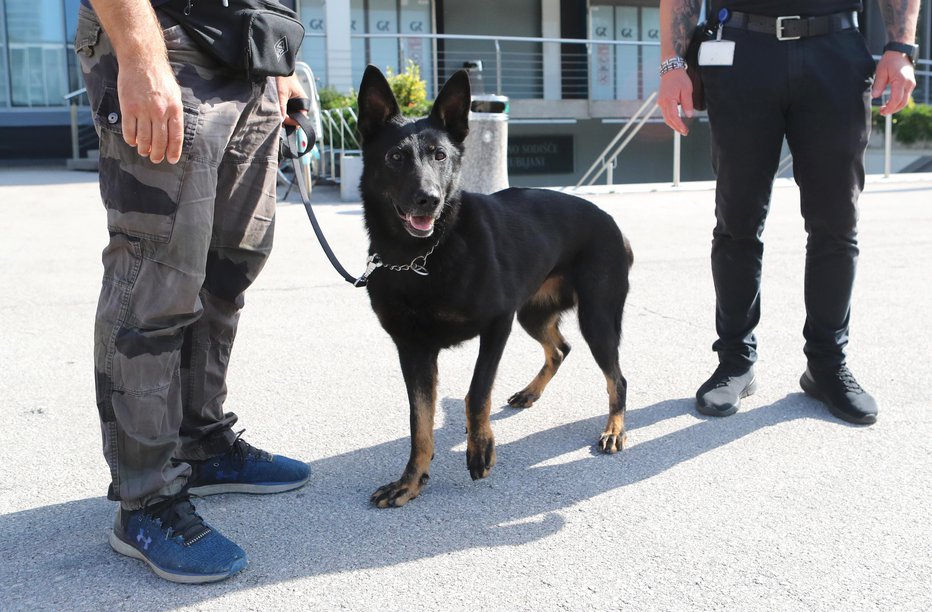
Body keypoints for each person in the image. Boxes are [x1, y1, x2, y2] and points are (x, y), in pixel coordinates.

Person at [75, 0, 311, 583]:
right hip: (167, 39)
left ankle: (201, 443)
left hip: (250, 54)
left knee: (228, 267)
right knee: (158, 272)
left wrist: (277, 64)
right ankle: (145, 498)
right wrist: (138, 54)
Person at [658, 0, 919, 425]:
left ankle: (826, 363)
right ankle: (735, 361)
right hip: (740, 49)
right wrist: (672, 65)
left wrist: (901, 48)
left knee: (836, 223)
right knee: (736, 220)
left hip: (834, 50)